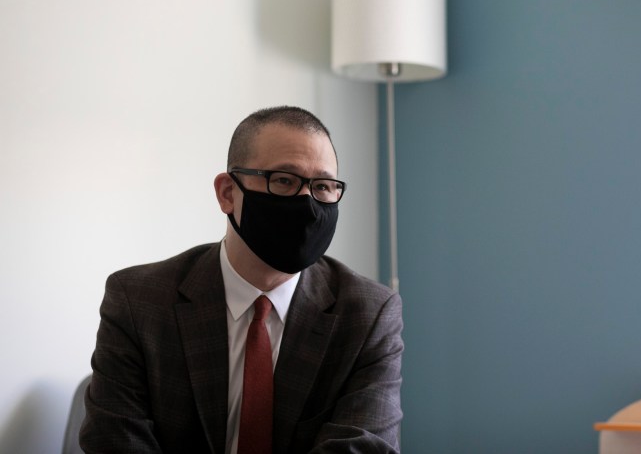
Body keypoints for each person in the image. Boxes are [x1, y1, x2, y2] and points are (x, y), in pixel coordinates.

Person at [80, 106, 403, 453]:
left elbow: (362, 447)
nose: (307, 203)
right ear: (227, 193)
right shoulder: (137, 301)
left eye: (323, 186)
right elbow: (114, 442)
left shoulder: (368, 314)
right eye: (284, 181)